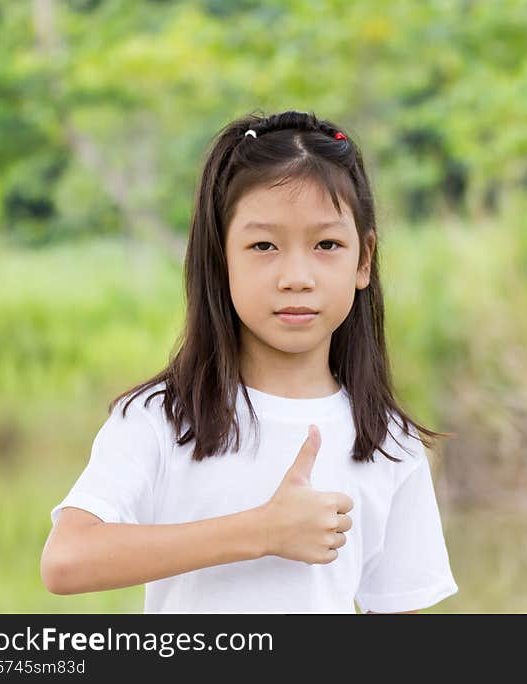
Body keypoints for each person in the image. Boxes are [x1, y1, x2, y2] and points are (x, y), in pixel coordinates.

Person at [40, 109, 459, 614]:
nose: (296, 276)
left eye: (327, 244)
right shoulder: (161, 418)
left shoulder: (388, 442)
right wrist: (261, 530)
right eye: (264, 245)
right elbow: (66, 561)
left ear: (363, 260)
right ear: (221, 257)